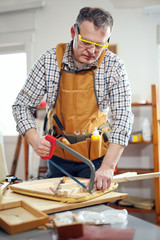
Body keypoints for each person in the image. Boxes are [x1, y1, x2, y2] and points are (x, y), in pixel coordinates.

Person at [12, 7, 134, 190]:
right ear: (73, 32)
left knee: (94, 215)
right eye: (86, 42)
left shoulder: (114, 65)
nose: (92, 51)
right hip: (58, 159)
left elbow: (123, 117)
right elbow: (21, 105)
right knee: (58, 213)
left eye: (100, 45)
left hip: (97, 161)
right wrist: (35, 140)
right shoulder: (49, 61)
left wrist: (108, 167)